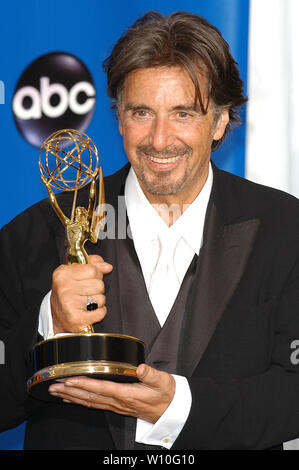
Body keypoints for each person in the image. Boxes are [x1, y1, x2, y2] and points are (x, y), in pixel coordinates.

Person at [1, 10, 299, 450]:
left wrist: (178, 406)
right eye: (142, 112)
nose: (160, 140)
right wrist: (47, 325)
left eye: (183, 113)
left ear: (219, 121)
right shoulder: (36, 232)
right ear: (118, 116)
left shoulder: (284, 229)